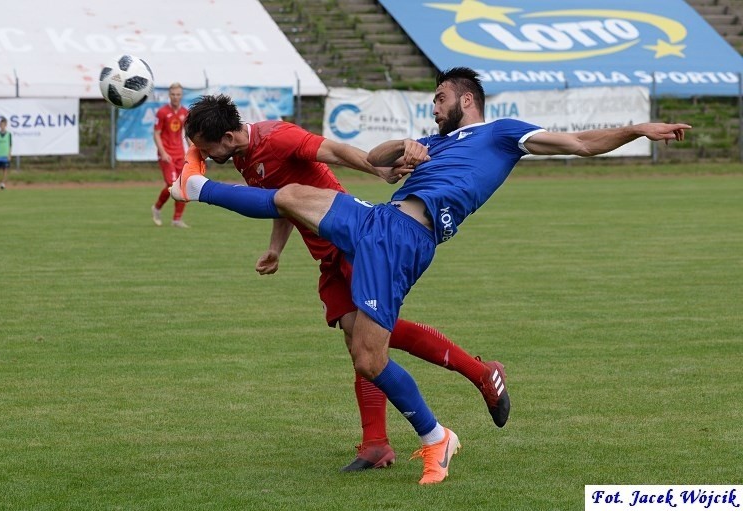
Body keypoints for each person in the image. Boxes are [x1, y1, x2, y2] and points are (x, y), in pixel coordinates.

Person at [171, 68, 691, 484]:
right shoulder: (435, 143)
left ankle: (435, 436)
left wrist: (635, 130)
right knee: (289, 199)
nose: (433, 106)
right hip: (379, 219)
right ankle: (193, 189)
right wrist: (402, 147)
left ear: (465, 99)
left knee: (369, 357)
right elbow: (375, 161)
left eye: (440, 97)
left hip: (404, 240)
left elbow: (580, 143)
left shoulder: (503, 134)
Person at [179, 94, 510, 474]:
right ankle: (377, 443)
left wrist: (377, 170)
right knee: (362, 345)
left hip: (350, 240)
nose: (205, 156)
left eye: (207, 150)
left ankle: (475, 378)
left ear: (227, 136)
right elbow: (284, 199)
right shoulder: (241, 155)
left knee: (373, 344)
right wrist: (275, 249)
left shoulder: (278, 136)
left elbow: (332, 150)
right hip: (327, 255)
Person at [152, 82, 189, 227]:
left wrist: (193, 151)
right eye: (173, 94)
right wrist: (163, 152)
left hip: (180, 154)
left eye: (178, 94)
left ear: (181, 95)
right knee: (172, 184)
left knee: (183, 186)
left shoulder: (185, 113)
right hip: (166, 154)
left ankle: (176, 219)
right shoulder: (162, 112)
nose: (175, 97)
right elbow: (156, 134)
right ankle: (157, 207)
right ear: (169, 95)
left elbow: (188, 135)